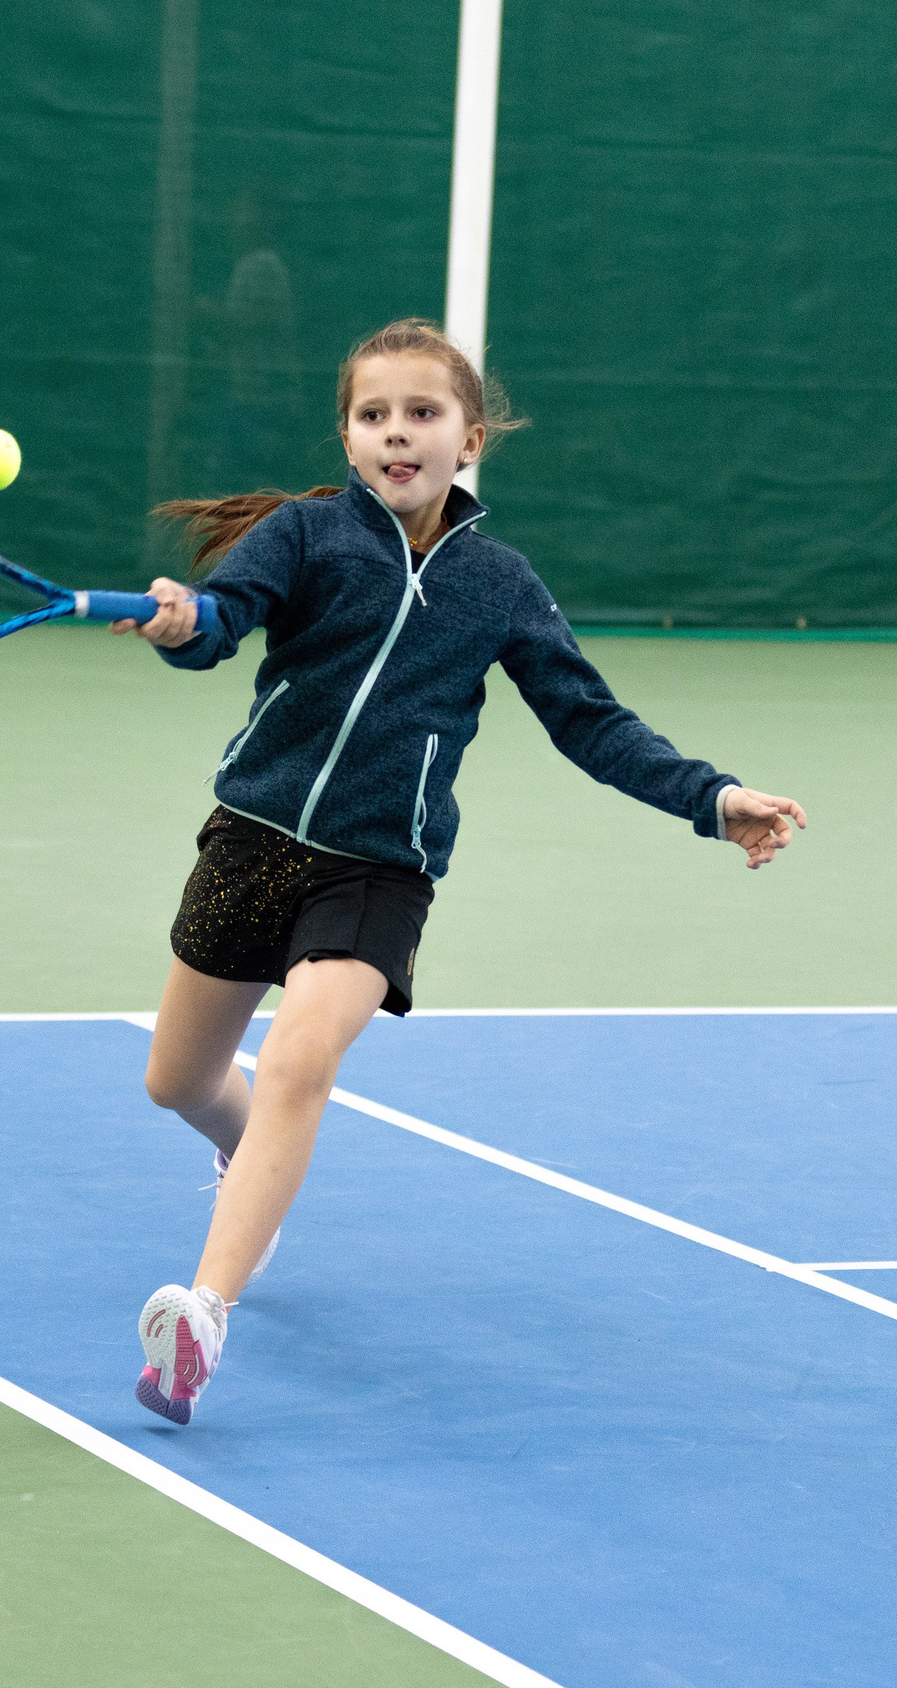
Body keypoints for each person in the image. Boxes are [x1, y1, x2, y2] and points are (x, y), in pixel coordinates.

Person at [113, 317, 806, 1425]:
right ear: (346, 436)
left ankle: (203, 1313)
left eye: (422, 414)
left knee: (298, 1060)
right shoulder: (303, 537)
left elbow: (589, 720)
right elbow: (222, 621)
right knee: (181, 1082)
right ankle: (255, 1171)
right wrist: (186, 622)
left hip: (380, 866)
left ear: (468, 436)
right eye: (374, 414)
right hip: (252, 838)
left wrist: (712, 799)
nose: (398, 433)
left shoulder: (498, 583)